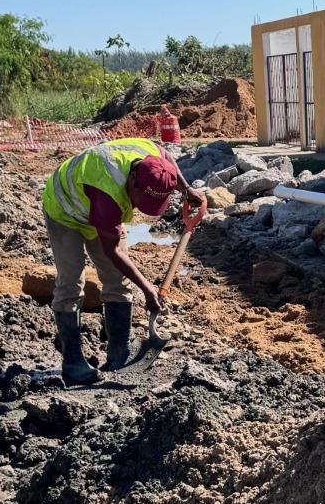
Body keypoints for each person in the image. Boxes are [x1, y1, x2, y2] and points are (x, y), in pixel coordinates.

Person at [40, 136, 206, 384]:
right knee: (71, 283)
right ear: (132, 180)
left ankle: (119, 356)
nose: (139, 208)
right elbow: (112, 251)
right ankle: (73, 362)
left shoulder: (152, 156)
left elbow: (167, 158)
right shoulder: (108, 194)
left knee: (117, 282)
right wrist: (147, 288)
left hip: (99, 204)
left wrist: (185, 188)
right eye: (140, 201)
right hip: (66, 210)